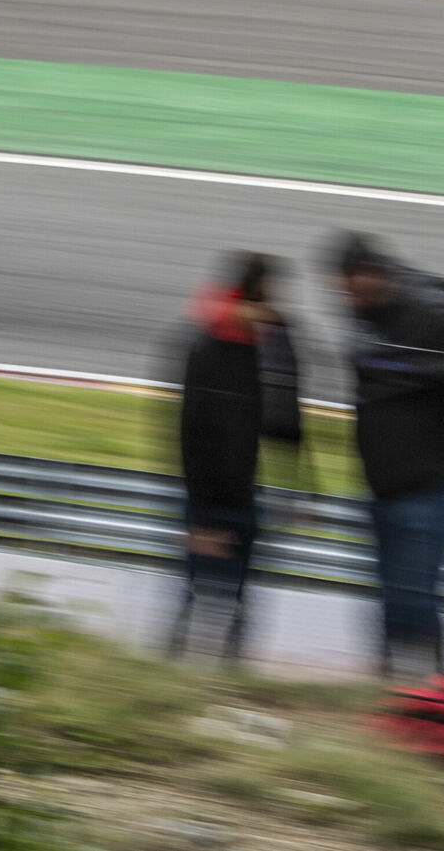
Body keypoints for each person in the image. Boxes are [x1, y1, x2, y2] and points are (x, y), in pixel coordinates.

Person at [326, 231, 444, 678]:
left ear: (369, 274)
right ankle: (396, 688)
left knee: (413, 592)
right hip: (386, 482)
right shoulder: (368, 309)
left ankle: (433, 689)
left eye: (348, 287)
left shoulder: (428, 307)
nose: (344, 299)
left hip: (431, 479)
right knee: (395, 594)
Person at [168, 251, 306, 663]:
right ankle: (174, 671)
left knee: (241, 607)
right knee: (194, 602)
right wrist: (202, 519)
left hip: (248, 493)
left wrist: (297, 490)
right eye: (264, 303)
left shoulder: (269, 347)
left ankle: (232, 676)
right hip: (208, 501)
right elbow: (188, 436)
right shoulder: (205, 349)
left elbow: (287, 423)